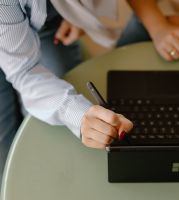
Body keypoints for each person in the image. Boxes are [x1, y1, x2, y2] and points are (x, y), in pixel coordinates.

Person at [0, 0, 133, 189]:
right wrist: (78, 114)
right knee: (5, 149)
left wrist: (77, 14)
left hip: (48, 19)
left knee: (53, 121)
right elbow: (24, 72)